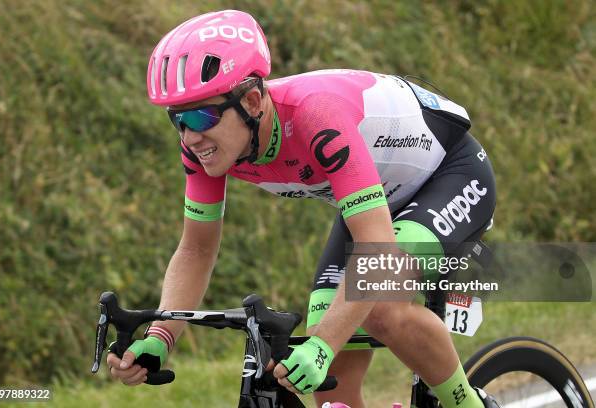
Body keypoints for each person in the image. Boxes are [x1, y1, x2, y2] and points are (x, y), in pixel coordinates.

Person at [107, 10, 499, 408]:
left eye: (200, 115)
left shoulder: (316, 117)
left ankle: (467, 404)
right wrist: (160, 335)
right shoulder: (209, 147)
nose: (190, 137)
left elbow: (376, 247)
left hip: (450, 175)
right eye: (178, 120)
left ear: (253, 101)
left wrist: (323, 346)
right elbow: (196, 250)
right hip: (376, 199)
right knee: (328, 373)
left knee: (376, 306)